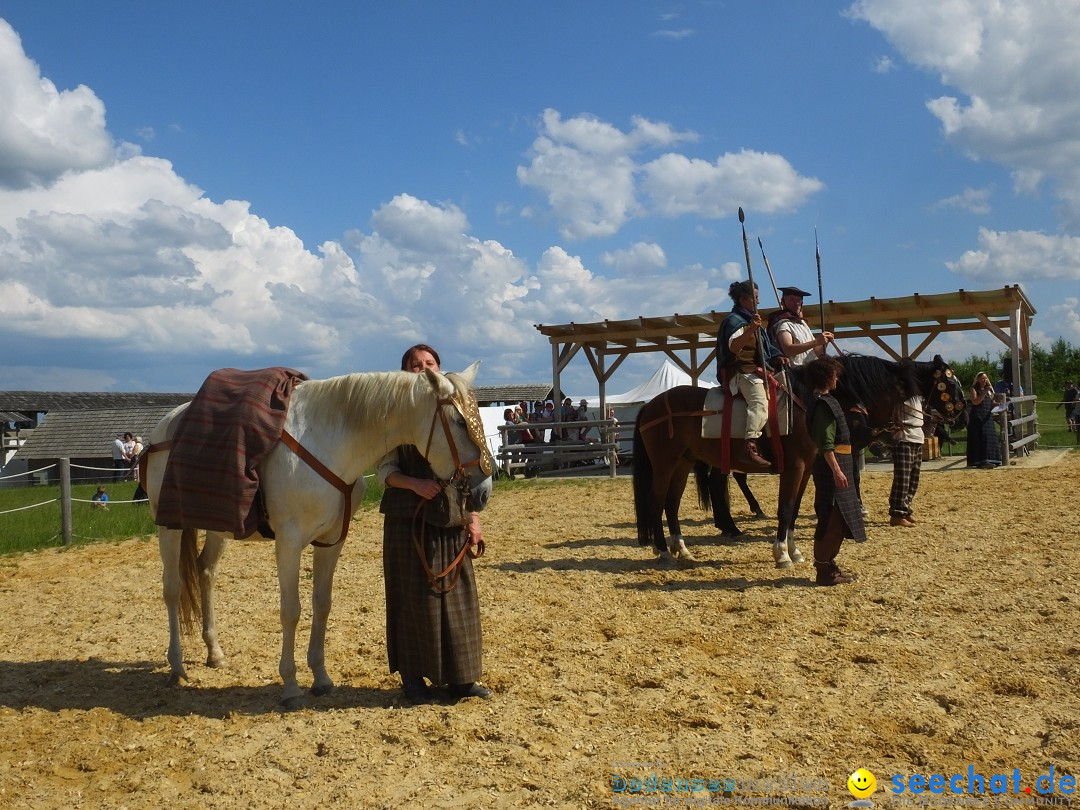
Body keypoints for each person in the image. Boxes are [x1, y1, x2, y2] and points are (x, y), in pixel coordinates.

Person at [376, 343, 490, 705]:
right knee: (413, 602)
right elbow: (384, 471)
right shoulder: (392, 416)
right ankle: (413, 680)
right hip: (407, 519)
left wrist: (474, 519)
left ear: (440, 369)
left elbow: (468, 469)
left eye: (429, 363)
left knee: (458, 598)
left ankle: (460, 679)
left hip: (452, 516)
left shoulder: (455, 410)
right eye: (415, 364)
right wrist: (415, 484)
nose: (423, 368)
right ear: (405, 372)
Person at [716, 280, 788, 468]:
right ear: (743, 299)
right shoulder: (733, 321)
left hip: (758, 370)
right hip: (741, 371)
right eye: (755, 298)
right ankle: (749, 447)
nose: (759, 301)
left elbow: (766, 347)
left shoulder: (753, 320)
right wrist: (751, 329)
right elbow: (734, 347)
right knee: (759, 402)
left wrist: (778, 355)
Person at [806, 355, 862, 585]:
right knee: (831, 520)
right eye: (835, 373)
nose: (838, 377)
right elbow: (826, 443)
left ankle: (829, 564)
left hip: (841, 464)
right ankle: (823, 569)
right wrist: (837, 471)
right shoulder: (822, 405)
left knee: (841, 521)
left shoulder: (829, 400)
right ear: (827, 377)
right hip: (832, 467)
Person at [767, 285, 834, 366]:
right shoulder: (783, 324)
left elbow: (816, 352)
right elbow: (788, 350)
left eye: (799, 300)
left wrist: (823, 342)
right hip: (795, 373)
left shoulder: (802, 324)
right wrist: (816, 341)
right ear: (782, 301)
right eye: (792, 299)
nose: (796, 303)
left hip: (811, 370)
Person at [889, 395, 925, 527]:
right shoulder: (902, 395)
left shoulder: (917, 396)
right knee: (903, 479)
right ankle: (897, 513)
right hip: (904, 436)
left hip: (917, 436)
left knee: (913, 479)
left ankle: (906, 509)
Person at [966, 372, 1002, 469]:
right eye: (982, 378)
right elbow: (975, 401)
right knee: (981, 438)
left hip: (987, 416)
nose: (984, 380)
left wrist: (997, 404)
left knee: (990, 437)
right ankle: (981, 461)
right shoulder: (974, 389)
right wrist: (985, 392)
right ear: (977, 379)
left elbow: (992, 402)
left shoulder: (989, 390)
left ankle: (992, 459)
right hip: (978, 416)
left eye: (985, 378)